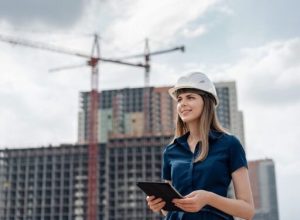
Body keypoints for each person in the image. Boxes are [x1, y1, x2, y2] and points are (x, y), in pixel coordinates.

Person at [146, 71, 255, 220]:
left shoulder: (230, 144)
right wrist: (160, 205)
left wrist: (208, 198)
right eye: (179, 99)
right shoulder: (171, 151)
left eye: (190, 97)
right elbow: (170, 210)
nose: (182, 103)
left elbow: (247, 211)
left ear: (207, 102)